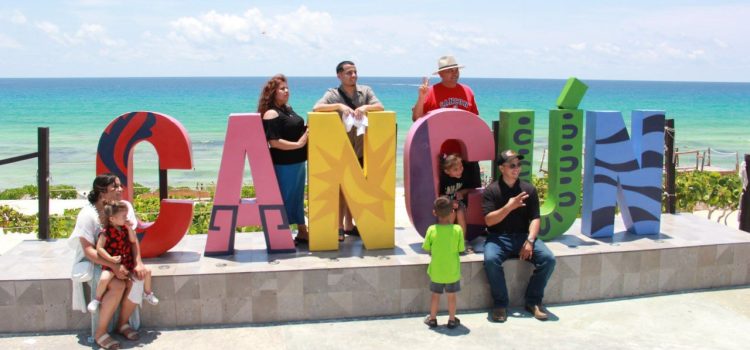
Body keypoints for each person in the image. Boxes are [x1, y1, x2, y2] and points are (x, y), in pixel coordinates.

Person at [68, 174, 147, 349]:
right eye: (115, 187)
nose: (120, 190)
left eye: (120, 186)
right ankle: (100, 332)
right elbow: (89, 250)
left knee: (138, 280)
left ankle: (123, 323)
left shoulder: (124, 207)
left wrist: (138, 262)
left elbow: (132, 241)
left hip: (123, 258)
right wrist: (113, 265)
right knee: (117, 285)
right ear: (102, 193)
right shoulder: (87, 214)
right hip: (97, 261)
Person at [482, 150, 556, 322]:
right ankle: (500, 305)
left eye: (519, 165)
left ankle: (533, 301)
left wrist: (530, 240)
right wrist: (509, 207)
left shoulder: (528, 189)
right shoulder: (491, 191)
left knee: (548, 259)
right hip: (498, 238)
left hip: (523, 236)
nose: (517, 168)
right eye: (512, 165)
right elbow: (489, 221)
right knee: (491, 260)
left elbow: (535, 218)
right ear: (501, 168)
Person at [313, 61, 384, 241]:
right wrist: (339, 106)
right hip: (341, 151)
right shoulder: (333, 94)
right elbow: (317, 108)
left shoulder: (365, 91)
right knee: (340, 190)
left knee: (356, 189)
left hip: (360, 151)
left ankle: (349, 225)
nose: (353, 76)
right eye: (348, 73)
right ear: (339, 75)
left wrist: (365, 107)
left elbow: (380, 107)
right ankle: (338, 227)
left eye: (355, 72)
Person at [412, 55, 482, 189]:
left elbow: (475, 120)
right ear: (440, 74)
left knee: (472, 192)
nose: (455, 73)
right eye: (450, 70)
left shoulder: (467, 91)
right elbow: (417, 119)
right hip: (442, 154)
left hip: (466, 152)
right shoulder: (431, 92)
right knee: (444, 195)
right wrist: (421, 98)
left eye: (456, 70)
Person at [259, 74, 309, 245]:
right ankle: (282, 236)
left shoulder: (287, 109)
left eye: (287, 88)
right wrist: (299, 144)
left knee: (298, 198)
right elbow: (274, 142)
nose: (286, 91)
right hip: (284, 164)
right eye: (282, 89)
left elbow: (295, 129)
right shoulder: (271, 113)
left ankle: (303, 232)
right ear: (273, 92)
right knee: (286, 198)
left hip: (298, 163)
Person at [88, 200, 158, 313]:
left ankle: (148, 293)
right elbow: (99, 248)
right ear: (112, 219)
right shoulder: (106, 232)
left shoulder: (125, 229)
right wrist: (110, 259)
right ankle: (97, 299)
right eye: (124, 216)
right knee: (104, 278)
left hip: (127, 261)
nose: (126, 218)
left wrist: (130, 228)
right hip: (113, 264)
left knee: (147, 271)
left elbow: (132, 240)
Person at [422, 196, 465, 329]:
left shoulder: (431, 229)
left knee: (435, 296)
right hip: (452, 271)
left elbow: (427, 248)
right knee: (451, 296)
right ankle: (452, 320)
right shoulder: (457, 230)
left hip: (436, 272)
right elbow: (461, 249)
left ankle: (433, 319)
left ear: (434, 212)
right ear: (452, 212)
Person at [439, 154, 469, 244]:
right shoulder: (444, 179)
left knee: (460, 213)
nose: (459, 171)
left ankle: (462, 241)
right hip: (447, 202)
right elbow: (440, 194)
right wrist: (450, 201)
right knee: (451, 213)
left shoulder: (464, 176)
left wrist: (461, 193)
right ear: (447, 171)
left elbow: (468, 189)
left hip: (459, 202)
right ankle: (446, 240)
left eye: (461, 167)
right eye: (455, 170)